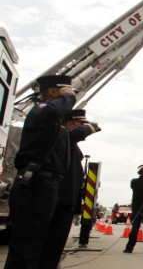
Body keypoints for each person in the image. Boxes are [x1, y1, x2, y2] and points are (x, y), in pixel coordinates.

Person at [5, 75, 76, 269]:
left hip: (44, 185)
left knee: (35, 244)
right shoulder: (43, 110)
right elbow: (60, 108)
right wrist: (68, 97)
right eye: (66, 91)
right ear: (53, 91)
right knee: (25, 247)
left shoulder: (53, 119)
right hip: (36, 183)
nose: (71, 96)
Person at [41, 109, 101, 268]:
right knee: (48, 246)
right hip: (58, 202)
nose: (83, 126)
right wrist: (90, 128)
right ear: (69, 124)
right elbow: (70, 135)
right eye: (80, 124)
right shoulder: (60, 138)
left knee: (55, 246)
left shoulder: (70, 144)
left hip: (65, 203)